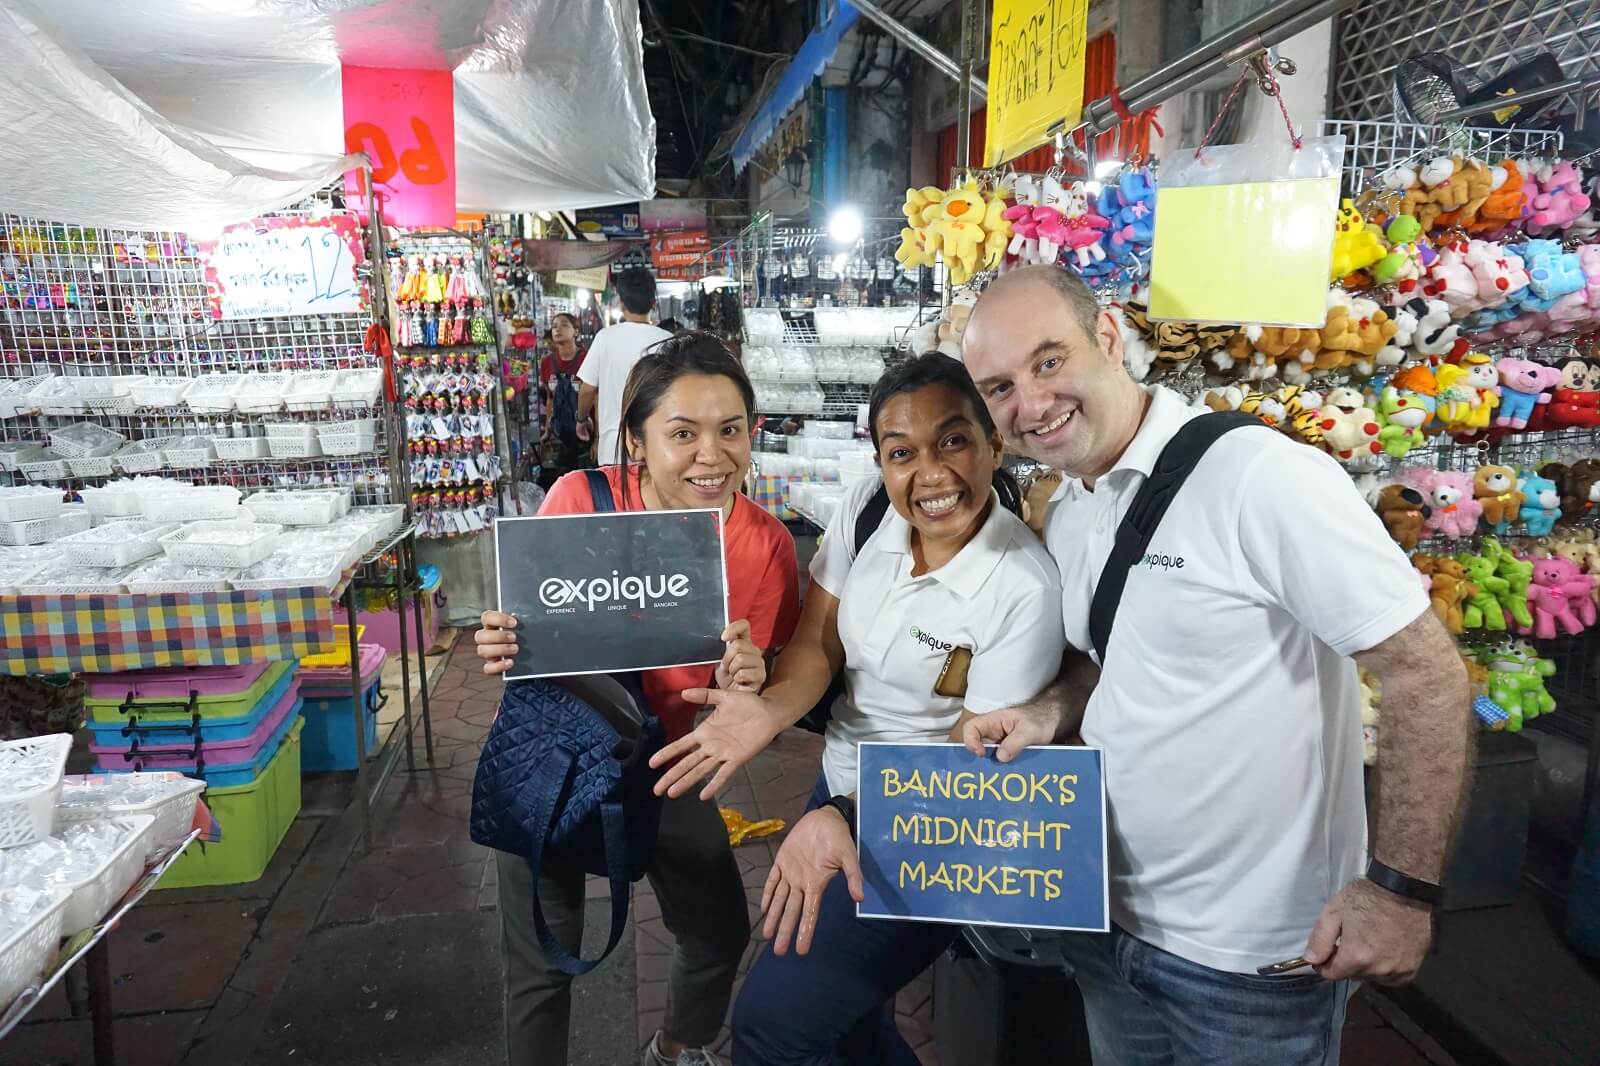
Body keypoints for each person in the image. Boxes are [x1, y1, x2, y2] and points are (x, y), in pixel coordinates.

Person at [952, 264, 1473, 1066]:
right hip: (1109, 925)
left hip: (1252, 962)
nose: (1030, 402)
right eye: (999, 388)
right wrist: (1046, 714)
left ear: (1109, 337)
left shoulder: (1260, 478)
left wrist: (1399, 893)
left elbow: (1425, 675)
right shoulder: (1074, 504)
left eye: (1048, 361)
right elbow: (1107, 667)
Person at [649, 353, 1067, 1065]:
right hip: (837, 788)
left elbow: (980, 767)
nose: (929, 474)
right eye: (901, 452)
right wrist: (771, 712)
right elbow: (817, 642)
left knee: (773, 1025)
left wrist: (845, 814)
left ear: (994, 442)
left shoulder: (1022, 588)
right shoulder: (870, 506)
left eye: (954, 440)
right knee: (846, 1023)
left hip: (934, 826)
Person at [475, 332, 802, 1066]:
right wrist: (503, 646)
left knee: (717, 930)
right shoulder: (579, 499)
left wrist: (749, 685)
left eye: (731, 431)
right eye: (682, 433)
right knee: (538, 967)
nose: (710, 457)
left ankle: (675, 1048)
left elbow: (765, 683)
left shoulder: (767, 547)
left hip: (672, 762)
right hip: (554, 759)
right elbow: (530, 637)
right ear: (636, 439)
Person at [579, 267, 671, 466]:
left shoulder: (605, 338)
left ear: (621, 303)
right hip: (658, 450)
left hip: (613, 450)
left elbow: (587, 390)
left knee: (614, 498)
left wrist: (581, 419)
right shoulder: (669, 342)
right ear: (653, 303)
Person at [536, 313, 592, 489]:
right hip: (559, 432)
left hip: (585, 432)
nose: (557, 330)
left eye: (564, 325)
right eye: (554, 326)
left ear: (576, 331)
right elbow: (550, 399)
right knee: (563, 483)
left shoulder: (587, 359)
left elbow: (596, 397)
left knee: (586, 483)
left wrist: (597, 437)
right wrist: (547, 430)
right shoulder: (547, 363)